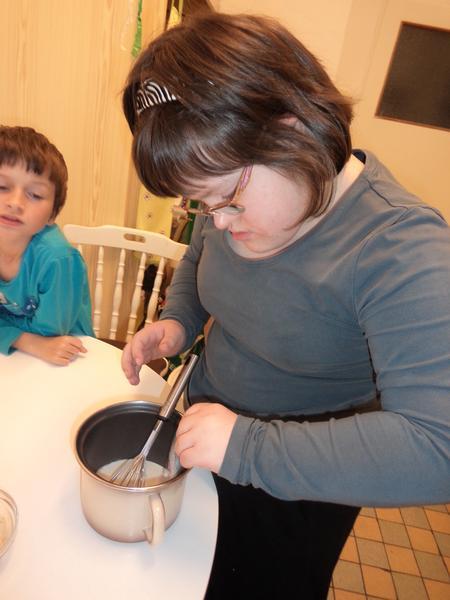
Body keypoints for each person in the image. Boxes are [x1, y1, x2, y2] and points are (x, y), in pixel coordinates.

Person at [121, 12, 450, 599]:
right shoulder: (234, 202)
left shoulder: (402, 246)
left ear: (291, 129)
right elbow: (200, 253)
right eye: (202, 204)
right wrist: (179, 320)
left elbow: (437, 447)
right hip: (208, 434)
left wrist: (244, 446)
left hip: (300, 483)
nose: (219, 222)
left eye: (228, 199)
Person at [0, 126, 94, 366]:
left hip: (69, 361)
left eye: (35, 194)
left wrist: (11, 333)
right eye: (2, 187)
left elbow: (50, 336)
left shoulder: (58, 259)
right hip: (17, 355)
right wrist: (24, 339)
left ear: (52, 214)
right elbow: (35, 341)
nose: (15, 203)